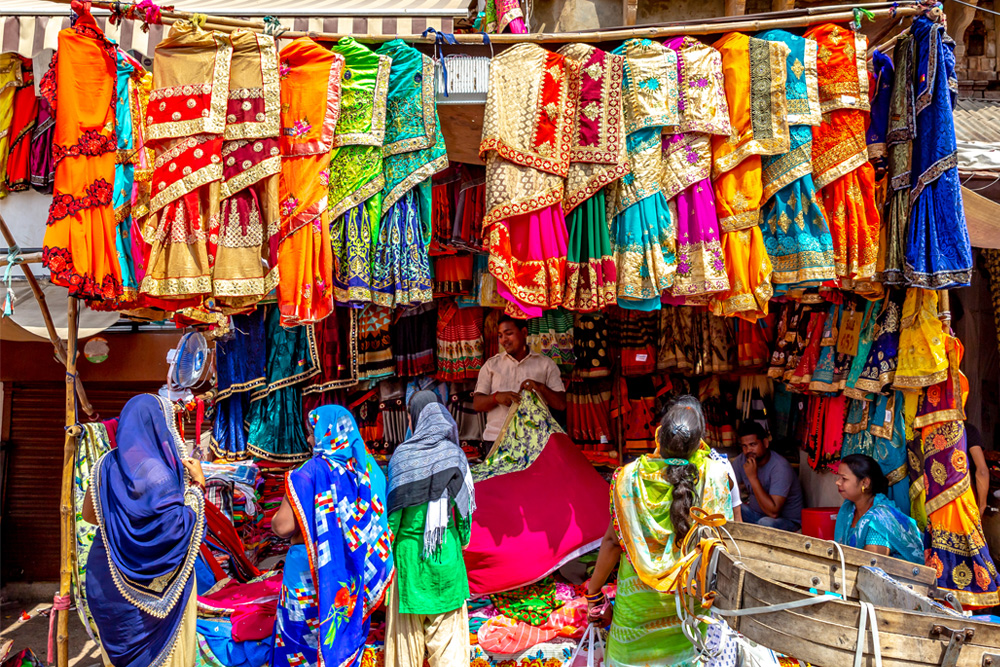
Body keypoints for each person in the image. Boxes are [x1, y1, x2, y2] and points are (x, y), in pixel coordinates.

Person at [585, 396, 734, 667]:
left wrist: (593, 593)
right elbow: (724, 545)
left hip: (637, 609)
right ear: (699, 443)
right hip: (688, 608)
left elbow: (612, 542)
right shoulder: (715, 476)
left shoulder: (628, 478)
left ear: (658, 435)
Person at [80, 393, 207, 667]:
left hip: (107, 581)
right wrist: (197, 486)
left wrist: (123, 524)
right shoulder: (161, 472)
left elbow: (89, 516)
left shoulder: (104, 465)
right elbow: (177, 530)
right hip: (152, 594)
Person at [270, 405, 394, 667]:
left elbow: (282, 527)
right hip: (352, 574)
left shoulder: (312, 471)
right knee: (346, 635)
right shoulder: (369, 468)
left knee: (301, 641)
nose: (309, 439)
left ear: (325, 432)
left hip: (308, 573)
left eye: (311, 432)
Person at [384, 391, 476, 667]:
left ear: (413, 418)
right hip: (445, 556)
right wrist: (460, 542)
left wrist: (389, 554)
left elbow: (393, 521)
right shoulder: (455, 455)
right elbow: (465, 517)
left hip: (409, 562)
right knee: (450, 651)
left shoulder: (401, 457)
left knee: (404, 651)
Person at [473, 315, 566, 445]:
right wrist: (496, 397)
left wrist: (541, 388)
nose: (504, 340)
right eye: (500, 336)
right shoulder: (491, 365)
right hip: (498, 440)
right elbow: (477, 404)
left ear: (524, 333)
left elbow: (561, 405)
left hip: (535, 441)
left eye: (509, 334)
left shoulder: (546, 364)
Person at [834, 454, 923, 563]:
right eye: (839, 478)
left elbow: (871, 566)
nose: (837, 482)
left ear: (865, 483)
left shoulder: (879, 520)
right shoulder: (847, 509)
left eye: (844, 478)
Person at [733, 421, 803, 531]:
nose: (748, 450)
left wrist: (753, 478)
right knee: (733, 508)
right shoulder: (741, 460)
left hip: (785, 521)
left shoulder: (780, 467)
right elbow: (727, 488)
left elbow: (773, 512)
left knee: (765, 523)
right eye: (744, 446)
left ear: (765, 443)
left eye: (753, 444)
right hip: (755, 515)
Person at [966, 424, 991, 516]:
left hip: (931, 499)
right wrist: (981, 506)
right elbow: (982, 471)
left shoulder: (925, 431)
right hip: (965, 498)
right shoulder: (966, 429)